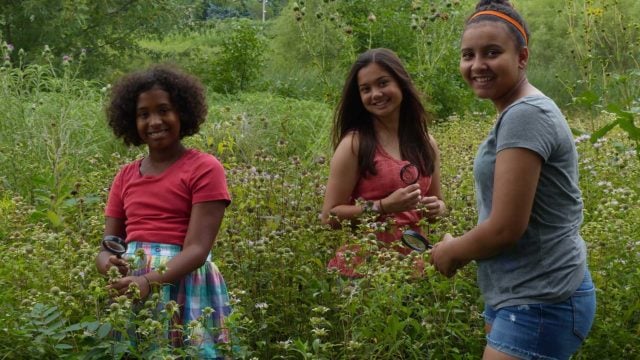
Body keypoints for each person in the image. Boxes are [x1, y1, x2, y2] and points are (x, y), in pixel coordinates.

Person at [428, 1, 596, 359]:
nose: (476, 65)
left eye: (492, 53)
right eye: (467, 55)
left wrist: (452, 250)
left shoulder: (526, 115)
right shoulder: (519, 112)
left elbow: (506, 227)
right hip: (522, 294)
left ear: (521, 57)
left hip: (541, 299)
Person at [95, 65, 232, 358]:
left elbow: (197, 249)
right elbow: (108, 244)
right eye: (143, 114)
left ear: (182, 112)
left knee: (190, 351)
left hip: (185, 281)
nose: (154, 121)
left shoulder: (205, 168)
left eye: (164, 110)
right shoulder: (125, 176)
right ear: (132, 122)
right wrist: (108, 263)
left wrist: (148, 281)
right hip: (132, 286)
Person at [320, 48, 446, 278]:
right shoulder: (354, 145)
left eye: (383, 83)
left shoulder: (426, 143)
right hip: (362, 274)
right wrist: (383, 206)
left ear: (401, 84)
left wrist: (437, 208)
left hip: (415, 270)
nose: (375, 94)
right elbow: (329, 217)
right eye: (365, 89)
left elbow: (437, 207)